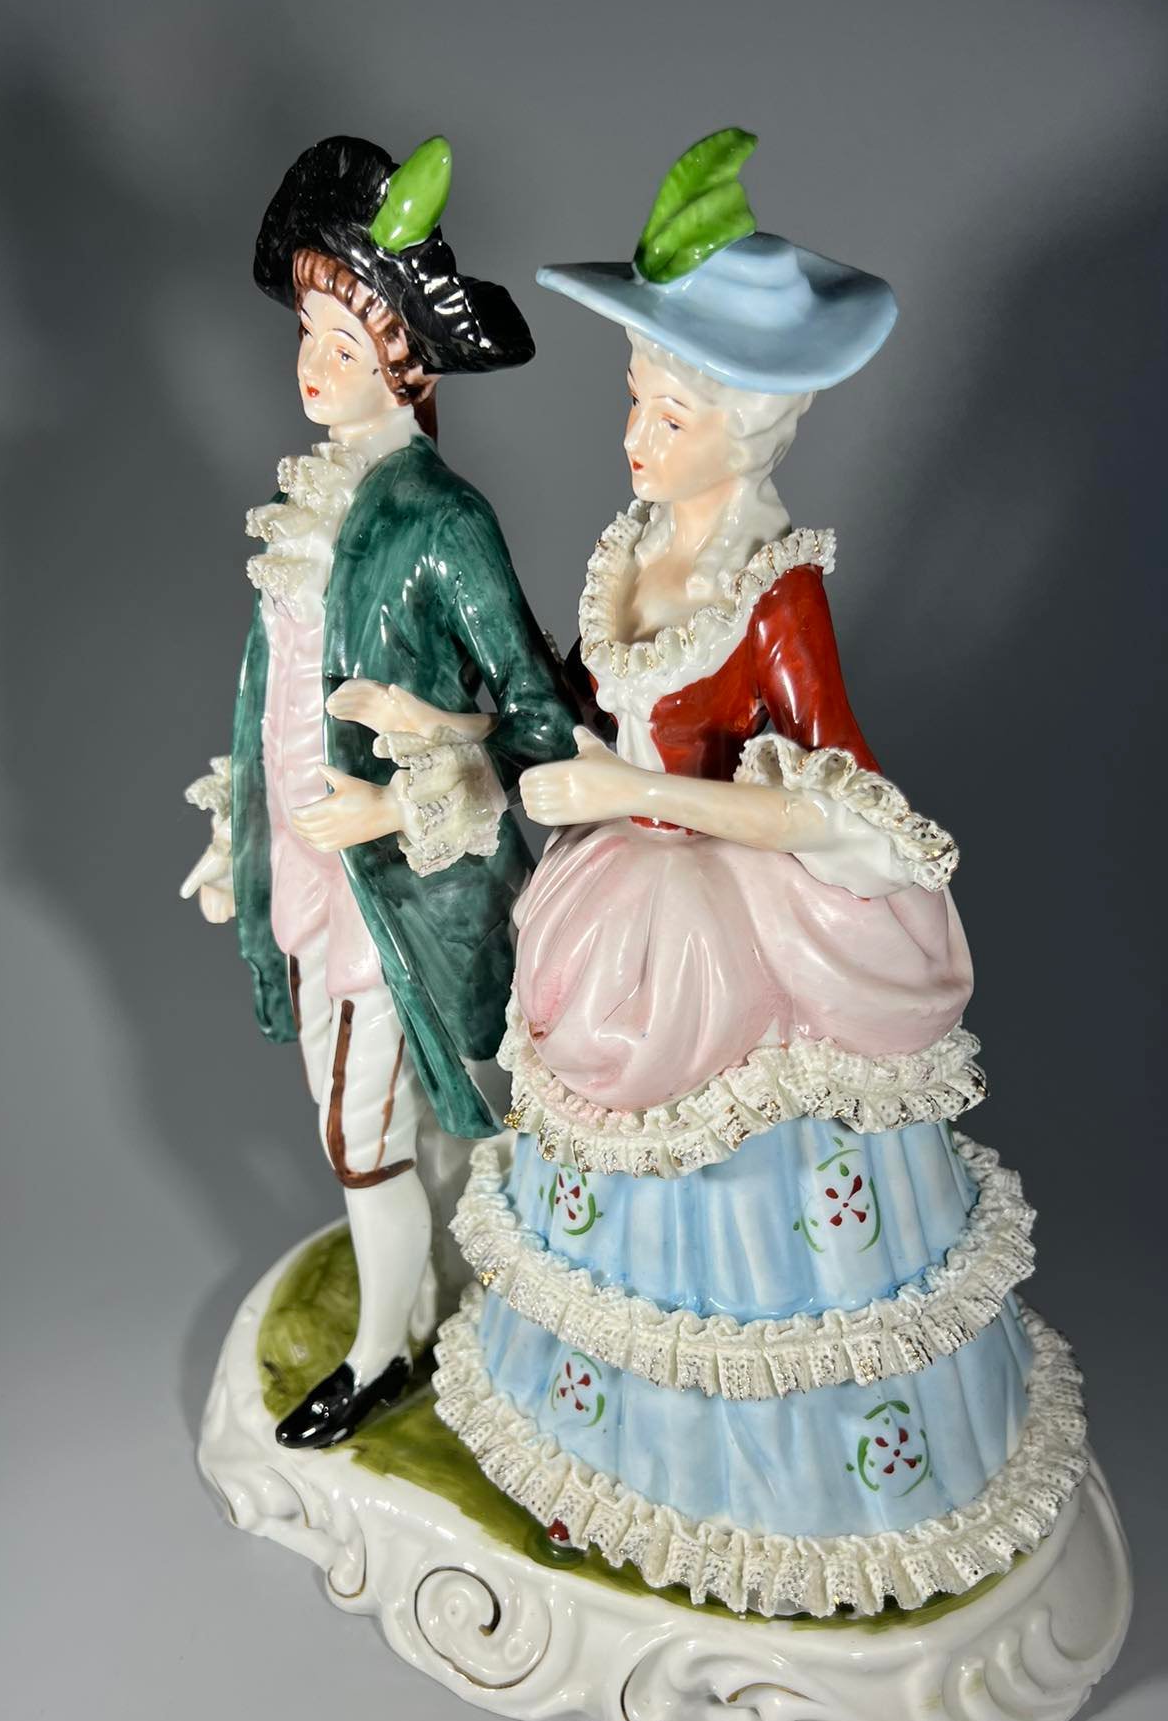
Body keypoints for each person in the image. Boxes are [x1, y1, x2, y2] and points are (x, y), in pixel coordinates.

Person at [430, 131, 1089, 1617]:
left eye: (670, 414)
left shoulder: (774, 594)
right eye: (635, 400)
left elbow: (830, 791)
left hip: (722, 915)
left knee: (748, 1192)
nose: (637, 436)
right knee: (595, 1137)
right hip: (624, 892)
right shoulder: (639, 548)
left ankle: (775, 1494)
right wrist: (478, 734)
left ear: (749, 430)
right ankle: (610, 1450)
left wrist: (631, 795)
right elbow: (589, 699)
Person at [183, 134, 578, 1451]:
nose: (313, 364)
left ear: (404, 363)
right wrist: (241, 823)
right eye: (308, 333)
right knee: (377, 1124)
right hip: (312, 873)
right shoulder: (312, 500)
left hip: (399, 896)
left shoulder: (441, 521)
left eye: (344, 343)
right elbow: (276, 692)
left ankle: (380, 1356)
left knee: (369, 1137)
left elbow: (539, 727)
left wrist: (402, 802)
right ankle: (435, 1293)